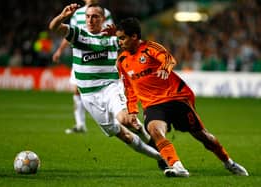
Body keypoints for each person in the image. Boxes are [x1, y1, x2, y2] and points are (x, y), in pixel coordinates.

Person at [116, 17, 249, 177]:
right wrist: (132, 111)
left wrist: (165, 68)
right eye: (118, 39)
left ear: (134, 36)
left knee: (203, 137)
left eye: (122, 38)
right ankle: (178, 167)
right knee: (154, 131)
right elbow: (129, 88)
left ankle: (228, 162)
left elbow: (168, 58)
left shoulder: (149, 48)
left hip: (175, 99)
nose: (120, 42)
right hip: (152, 105)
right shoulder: (122, 61)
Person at [49, 3, 168, 172]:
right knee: (125, 136)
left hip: (111, 87)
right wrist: (62, 16)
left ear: (103, 19)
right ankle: (160, 157)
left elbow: (138, 45)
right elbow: (54, 27)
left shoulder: (114, 39)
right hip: (89, 97)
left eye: (95, 16)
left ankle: (160, 150)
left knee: (127, 120)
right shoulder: (78, 34)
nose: (90, 20)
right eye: (88, 16)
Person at [52, 0, 114, 134]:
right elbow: (67, 33)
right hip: (81, 54)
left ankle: (115, 116)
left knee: (105, 87)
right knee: (76, 90)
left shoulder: (105, 13)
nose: (90, 20)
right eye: (88, 17)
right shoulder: (77, 13)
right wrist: (59, 50)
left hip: (99, 53)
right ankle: (80, 124)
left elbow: (111, 32)